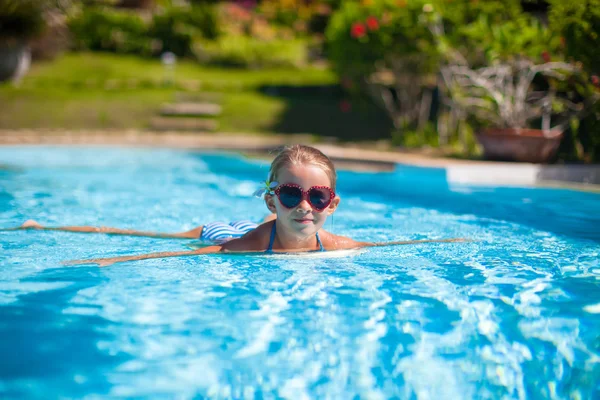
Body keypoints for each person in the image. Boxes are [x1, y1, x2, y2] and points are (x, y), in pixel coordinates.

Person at [12, 145, 467, 266]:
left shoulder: (337, 243)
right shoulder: (248, 244)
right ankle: (48, 225)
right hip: (222, 231)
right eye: (291, 194)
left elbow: (389, 243)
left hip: (254, 231)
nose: (304, 206)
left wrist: (445, 239)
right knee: (158, 235)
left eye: (317, 196)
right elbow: (183, 255)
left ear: (332, 204)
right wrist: (116, 257)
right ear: (274, 199)